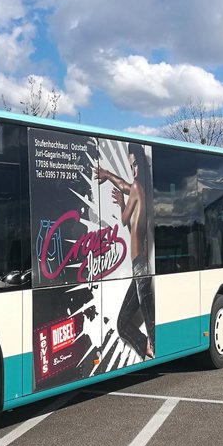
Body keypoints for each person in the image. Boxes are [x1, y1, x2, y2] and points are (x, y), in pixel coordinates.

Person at [96, 144, 155, 359]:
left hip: (141, 267)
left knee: (143, 324)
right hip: (139, 268)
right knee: (129, 323)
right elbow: (132, 228)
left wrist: (120, 201)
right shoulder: (141, 190)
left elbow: (123, 218)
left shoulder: (138, 187)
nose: (134, 170)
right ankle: (148, 348)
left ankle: (150, 349)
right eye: (132, 166)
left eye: (136, 164)